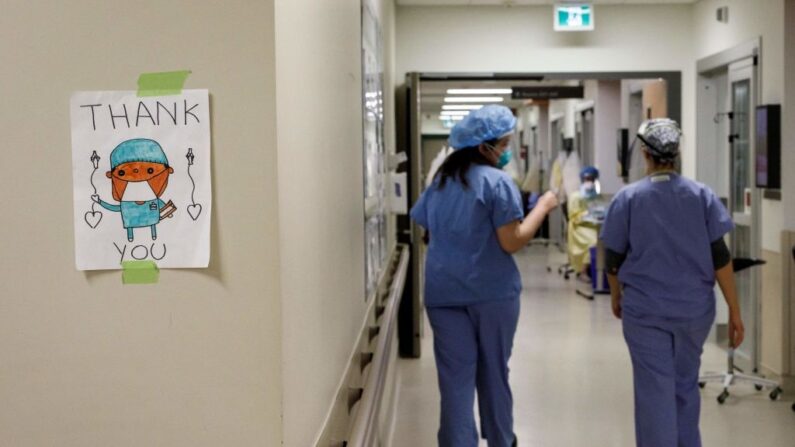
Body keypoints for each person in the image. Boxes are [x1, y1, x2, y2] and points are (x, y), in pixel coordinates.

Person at [410, 105, 559, 447]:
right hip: (491, 295)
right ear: (484, 147)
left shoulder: (440, 184)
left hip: (444, 295)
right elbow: (512, 241)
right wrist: (543, 208)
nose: (506, 152)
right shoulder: (497, 183)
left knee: (455, 381)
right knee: (493, 373)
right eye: (504, 145)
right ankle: (501, 440)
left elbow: (427, 232)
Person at [599, 118, 745, 447]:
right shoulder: (701, 195)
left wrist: (616, 295)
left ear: (646, 156)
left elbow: (613, 258)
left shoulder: (629, 199)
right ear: (676, 154)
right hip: (694, 312)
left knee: (654, 391)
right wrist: (735, 310)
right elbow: (720, 257)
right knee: (685, 385)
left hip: (646, 313)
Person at [566, 166, 602, 280]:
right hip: (579, 227)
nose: (589, 182)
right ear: (582, 179)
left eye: (591, 179)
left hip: (594, 226)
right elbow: (573, 215)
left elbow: (601, 208)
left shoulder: (596, 196)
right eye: (587, 179)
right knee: (593, 241)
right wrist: (586, 214)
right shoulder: (575, 196)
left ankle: (600, 272)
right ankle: (583, 271)